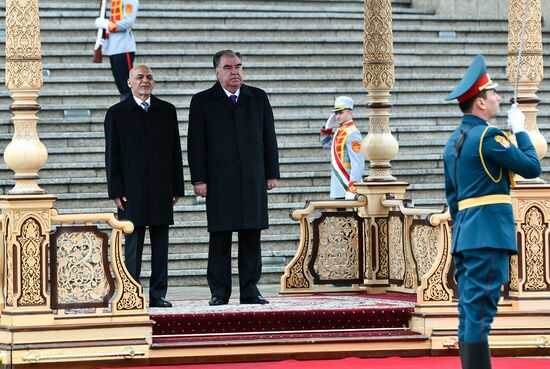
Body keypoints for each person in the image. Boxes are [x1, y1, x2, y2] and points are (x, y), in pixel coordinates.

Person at [443, 55, 541, 369]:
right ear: (480, 104)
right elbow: (531, 167)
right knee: (481, 313)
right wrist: (521, 130)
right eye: (493, 94)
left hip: (466, 235)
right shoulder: (489, 137)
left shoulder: (453, 141)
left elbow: (453, 199)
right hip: (487, 237)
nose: (498, 98)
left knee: (470, 313)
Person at [187, 50, 280, 306]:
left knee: (252, 235)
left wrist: (271, 172)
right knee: (220, 237)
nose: (235, 71)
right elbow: (196, 145)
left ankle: (250, 289)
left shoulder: (257, 97)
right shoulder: (203, 101)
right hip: (219, 181)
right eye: (228, 67)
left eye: (238, 66)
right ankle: (219, 291)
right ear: (217, 72)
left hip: (252, 177)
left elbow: (268, 137)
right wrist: (199, 179)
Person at [104, 64, 184, 308]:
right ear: (129, 83)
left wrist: (176, 186)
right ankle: (131, 292)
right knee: (133, 245)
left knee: (161, 246)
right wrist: (115, 190)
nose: (145, 81)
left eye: (149, 77)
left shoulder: (166, 111)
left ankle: (158, 294)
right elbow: (112, 155)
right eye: (139, 77)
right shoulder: (117, 113)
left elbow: (175, 152)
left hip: (161, 188)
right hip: (131, 190)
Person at [320, 96, 365, 200]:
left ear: (350, 113)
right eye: (336, 113)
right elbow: (325, 143)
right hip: (338, 180)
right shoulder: (339, 131)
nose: (337, 116)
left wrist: (353, 186)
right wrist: (327, 127)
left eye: (341, 113)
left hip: (347, 179)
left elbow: (358, 162)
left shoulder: (353, 133)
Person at [95, 0, 139, 100]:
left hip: (123, 47)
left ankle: (132, 113)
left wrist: (107, 24)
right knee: (122, 87)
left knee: (128, 86)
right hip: (113, 48)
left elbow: (128, 22)